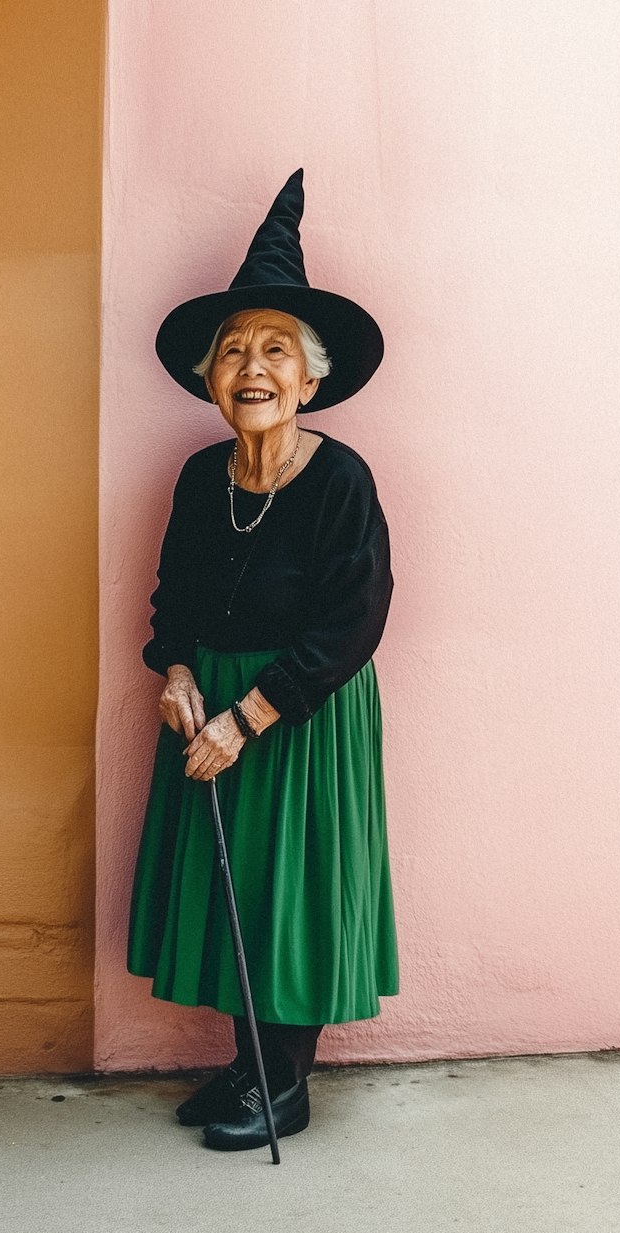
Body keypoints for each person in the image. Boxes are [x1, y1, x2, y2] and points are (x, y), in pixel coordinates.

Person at [125, 169, 399, 1152]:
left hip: (302, 715)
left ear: (311, 377)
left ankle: (283, 1086)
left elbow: (354, 620)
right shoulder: (204, 476)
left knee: (289, 898)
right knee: (228, 889)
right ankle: (244, 1066)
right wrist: (180, 675)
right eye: (233, 350)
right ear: (208, 377)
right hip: (214, 705)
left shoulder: (339, 480)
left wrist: (250, 716)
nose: (252, 367)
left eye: (275, 350)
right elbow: (175, 596)